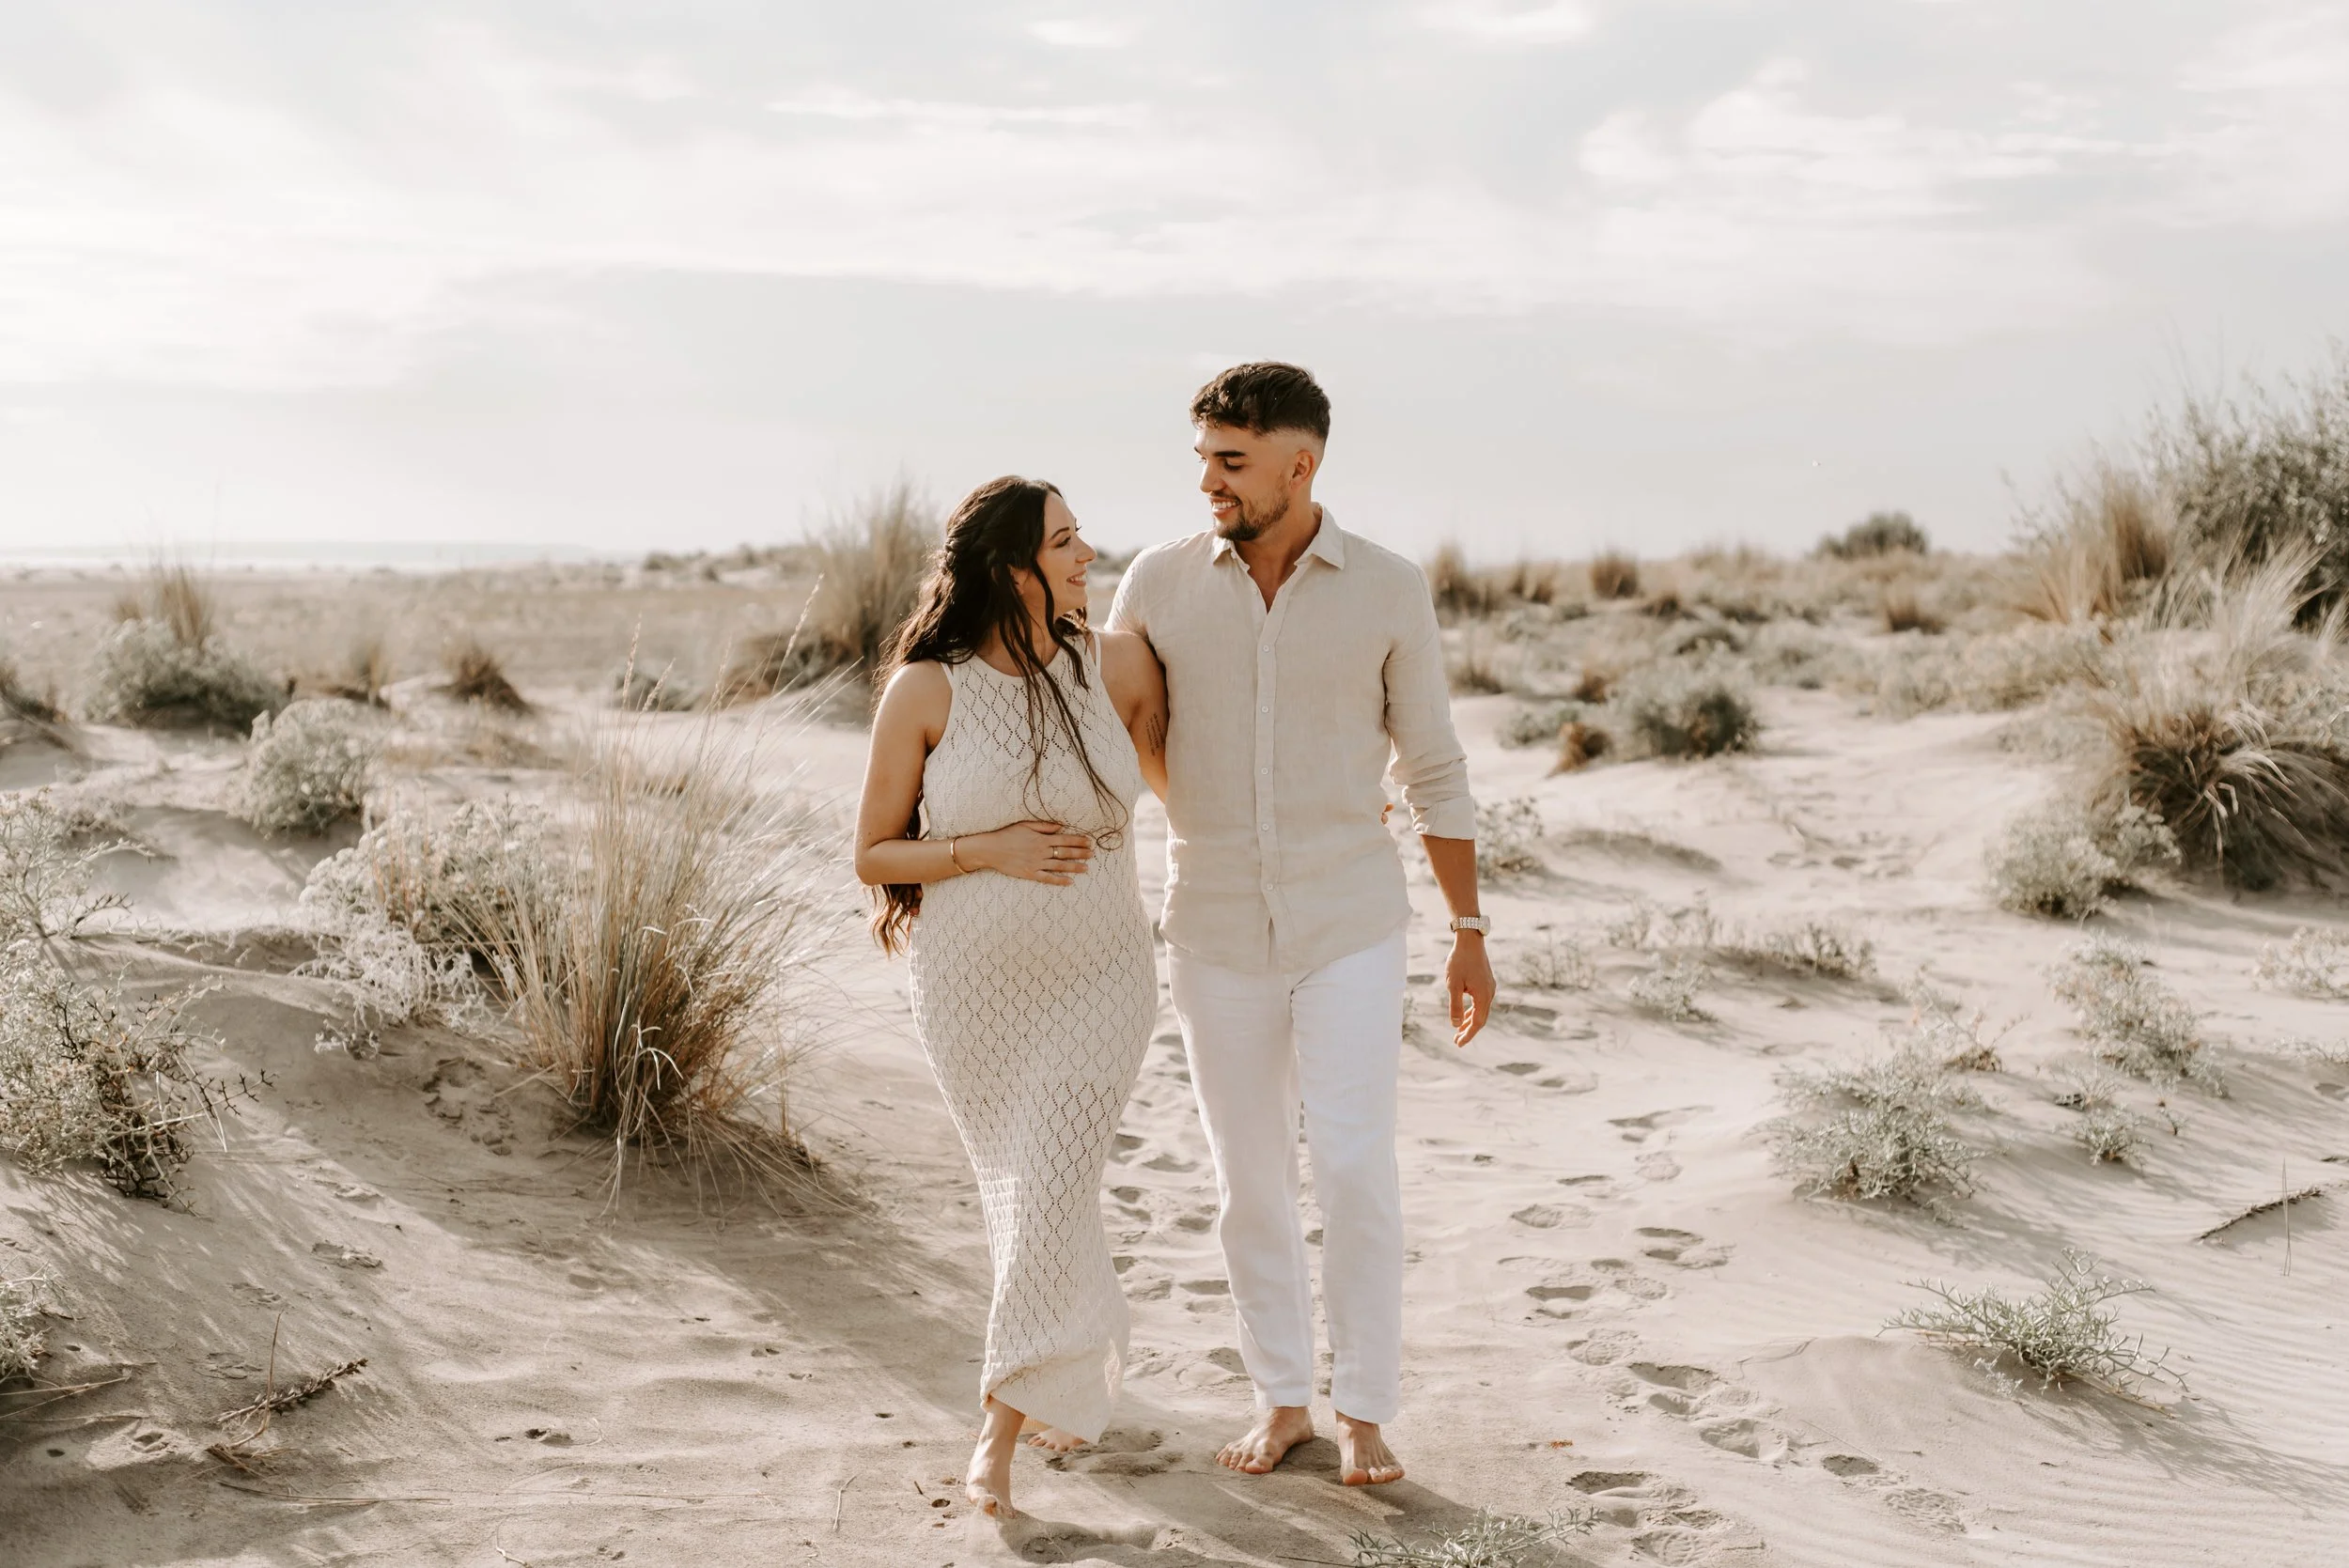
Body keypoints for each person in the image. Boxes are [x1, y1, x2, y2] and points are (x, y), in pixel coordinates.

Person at [1106, 363, 1491, 1488]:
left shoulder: (1386, 586)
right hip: (1214, 925)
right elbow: (1119, 724)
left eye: (1231, 461)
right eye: (1204, 461)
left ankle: (1365, 1408)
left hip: (1349, 922)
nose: (1210, 482)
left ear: (1298, 464)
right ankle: (1282, 1398)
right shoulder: (1157, 583)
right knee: (1250, 1179)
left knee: (1357, 1166)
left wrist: (1468, 926)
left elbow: (1432, 764)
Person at [853, 475, 1169, 1519]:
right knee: (1025, 1188)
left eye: (1082, 537)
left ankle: (996, 1429)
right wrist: (985, 848)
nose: (1088, 556)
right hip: (973, 991)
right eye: (1066, 542)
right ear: (1008, 567)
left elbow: (1186, 777)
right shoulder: (927, 690)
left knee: (1048, 1184)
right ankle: (1062, 1371)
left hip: (1103, 974)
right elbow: (872, 853)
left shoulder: (1115, 662)